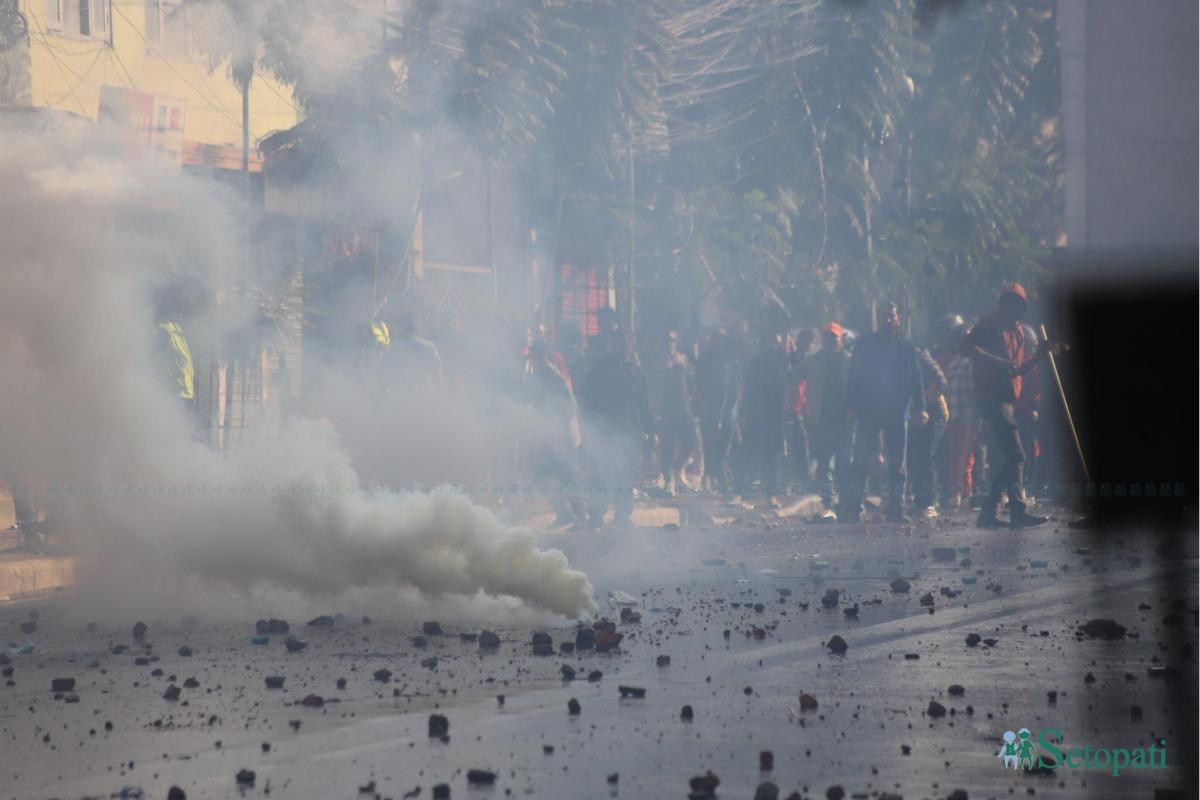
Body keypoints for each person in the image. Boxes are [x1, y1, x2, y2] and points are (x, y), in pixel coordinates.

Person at [959, 283, 1050, 528]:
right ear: (1003, 303)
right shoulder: (989, 323)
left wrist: (1039, 356)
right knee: (1017, 455)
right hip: (989, 397)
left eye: (1018, 303)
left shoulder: (1019, 332)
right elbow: (965, 347)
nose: (1013, 307)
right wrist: (997, 362)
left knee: (1011, 457)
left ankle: (989, 512)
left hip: (1007, 401)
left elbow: (1016, 370)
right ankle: (1016, 510)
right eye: (1009, 302)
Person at [843, 302, 927, 523]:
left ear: (898, 319)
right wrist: (851, 407)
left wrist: (921, 408)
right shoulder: (864, 345)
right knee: (860, 460)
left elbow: (916, 379)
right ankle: (853, 507)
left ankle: (896, 508)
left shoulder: (907, 347)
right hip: (868, 411)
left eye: (891, 316)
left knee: (897, 464)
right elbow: (853, 377)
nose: (887, 319)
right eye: (883, 315)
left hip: (897, 413)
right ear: (877, 319)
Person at [576, 329, 654, 529]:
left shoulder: (635, 372)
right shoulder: (598, 369)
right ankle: (596, 515)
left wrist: (651, 430)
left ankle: (622, 516)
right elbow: (584, 399)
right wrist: (587, 428)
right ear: (612, 345)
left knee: (625, 475)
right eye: (619, 343)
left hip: (629, 434)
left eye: (626, 343)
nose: (623, 347)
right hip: (604, 432)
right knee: (599, 474)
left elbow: (644, 403)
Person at [524, 340, 583, 527]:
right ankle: (566, 513)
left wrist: (557, 427)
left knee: (565, 476)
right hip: (549, 437)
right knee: (542, 474)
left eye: (535, 357)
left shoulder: (554, 378)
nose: (533, 361)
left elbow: (570, 406)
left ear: (543, 357)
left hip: (561, 437)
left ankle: (580, 515)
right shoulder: (538, 378)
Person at [803, 323, 852, 514]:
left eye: (834, 337)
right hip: (821, 420)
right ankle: (828, 502)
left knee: (844, 463)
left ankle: (846, 501)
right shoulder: (813, 361)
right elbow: (793, 375)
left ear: (841, 340)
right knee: (824, 464)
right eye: (827, 337)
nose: (830, 341)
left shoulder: (850, 361)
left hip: (845, 421)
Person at [736, 330, 789, 507]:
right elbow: (748, 390)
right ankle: (739, 493)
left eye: (777, 343)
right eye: (772, 343)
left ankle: (771, 495)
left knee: (772, 459)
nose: (775, 346)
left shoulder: (781, 364)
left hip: (774, 419)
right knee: (746, 455)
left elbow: (782, 394)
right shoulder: (755, 364)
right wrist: (745, 413)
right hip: (755, 417)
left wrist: (780, 419)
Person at [935, 314, 978, 510]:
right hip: (949, 417)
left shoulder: (967, 359)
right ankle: (953, 492)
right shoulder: (944, 358)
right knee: (950, 457)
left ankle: (961, 493)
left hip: (964, 416)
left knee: (964, 458)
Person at [695, 328, 740, 495]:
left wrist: (730, 411)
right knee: (708, 446)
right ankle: (711, 481)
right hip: (708, 410)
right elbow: (698, 385)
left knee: (724, 448)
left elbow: (735, 388)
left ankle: (721, 480)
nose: (716, 343)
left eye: (719, 340)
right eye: (714, 340)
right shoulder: (704, 360)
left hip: (728, 411)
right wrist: (704, 406)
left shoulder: (730, 361)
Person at [908, 345, 949, 520]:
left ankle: (928, 503)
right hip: (914, 415)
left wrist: (923, 405)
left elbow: (941, 382)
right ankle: (920, 500)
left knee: (925, 457)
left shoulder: (917, 353)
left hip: (934, 414)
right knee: (914, 457)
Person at [658, 330, 697, 496]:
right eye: (666, 340)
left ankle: (677, 469)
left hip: (683, 408)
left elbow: (691, 381)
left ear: (676, 341)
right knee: (667, 447)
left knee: (691, 440)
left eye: (671, 340)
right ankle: (669, 481)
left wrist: (693, 400)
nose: (669, 343)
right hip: (666, 409)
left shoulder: (683, 359)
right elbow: (653, 383)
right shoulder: (658, 360)